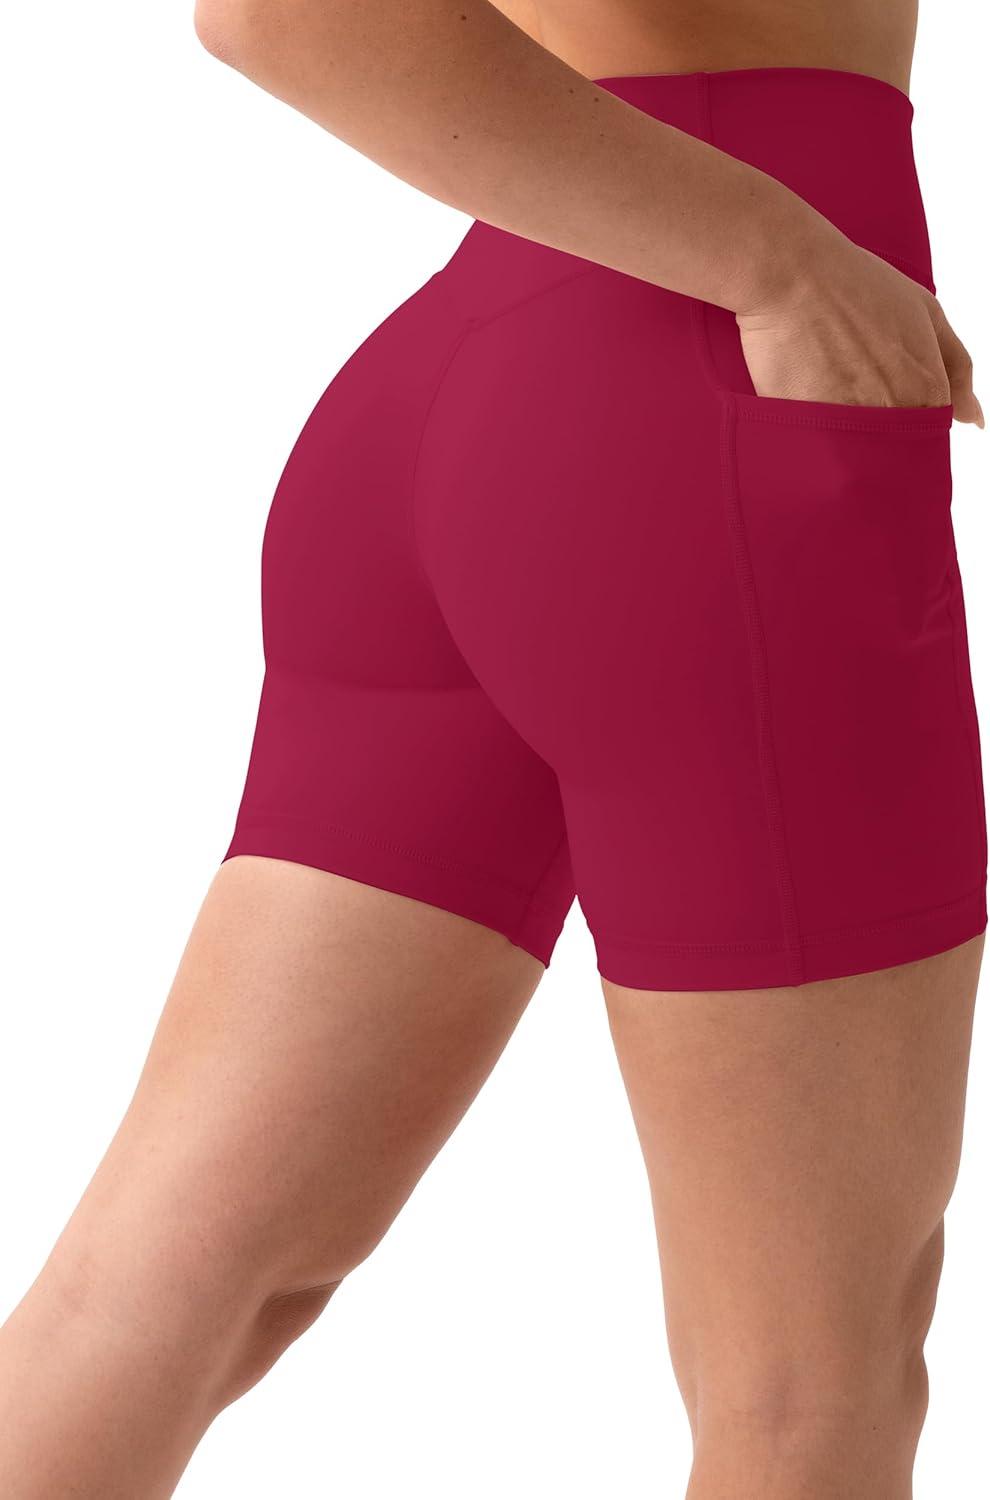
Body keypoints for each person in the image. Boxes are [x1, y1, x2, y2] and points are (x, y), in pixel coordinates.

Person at [0, 0, 985, 1495]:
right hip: (709, 431)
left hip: (487, 378)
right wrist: (784, 262)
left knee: (174, 1285)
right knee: (812, 1377)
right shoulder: (754, 291)